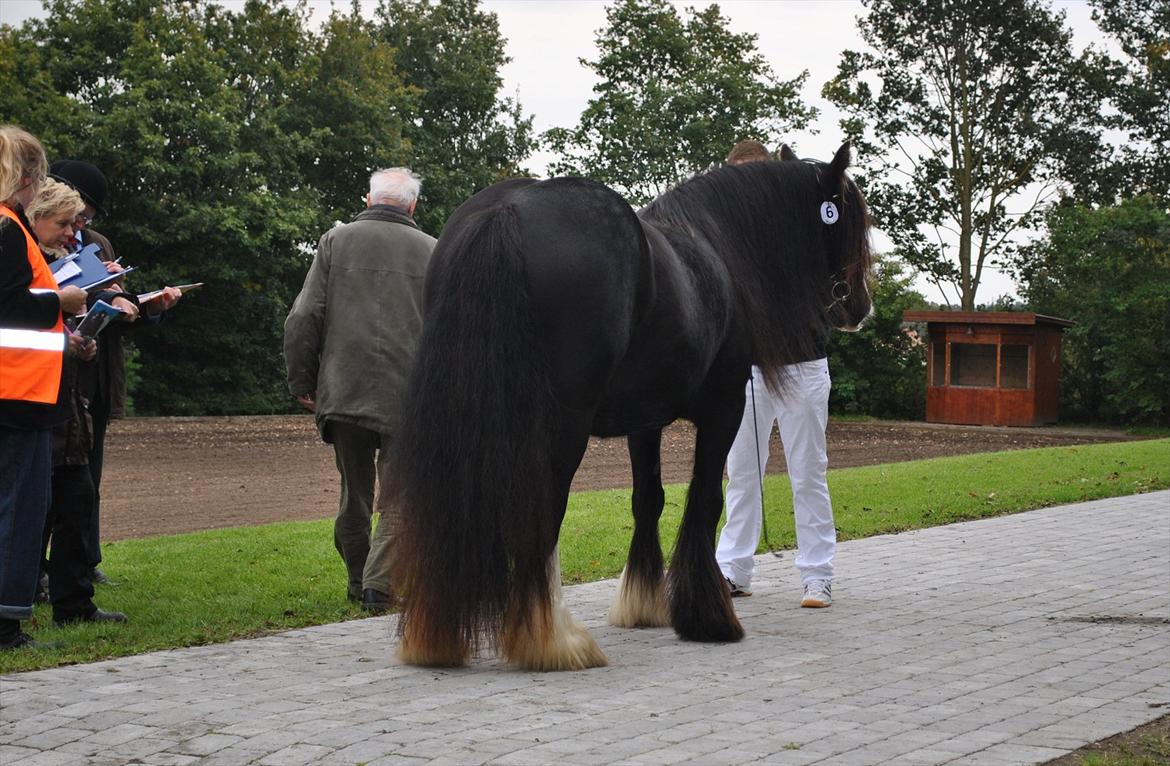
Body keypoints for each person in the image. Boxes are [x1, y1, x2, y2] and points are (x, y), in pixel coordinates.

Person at [284, 167, 435, 614]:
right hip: (408, 399)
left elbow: (302, 317)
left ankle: (357, 580)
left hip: (343, 391)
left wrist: (302, 380)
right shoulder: (434, 250)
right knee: (401, 495)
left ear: (369, 201)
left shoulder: (335, 241)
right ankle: (379, 586)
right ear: (412, 206)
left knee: (354, 493)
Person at [47, 159, 181, 587]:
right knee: (51, 477)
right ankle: (37, 572)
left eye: (87, 216)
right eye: (79, 213)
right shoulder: (37, 239)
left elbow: (115, 303)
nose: (81, 224)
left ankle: (84, 561)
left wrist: (147, 307)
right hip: (56, 371)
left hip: (98, 373)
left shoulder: (98, 242)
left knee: (88, 477)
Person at [715, 139, 836, 608]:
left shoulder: (801, 223)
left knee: (808, 473)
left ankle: (817, 574)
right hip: (747, 370)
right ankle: (733, 570)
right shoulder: (724, 236)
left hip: (803, 362)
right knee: (741, 473)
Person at [26, 178, 131, 626]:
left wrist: (76, 338)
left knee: (78, 498)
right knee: (35, 505)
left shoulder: (52, 256)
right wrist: (58, 305)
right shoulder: (19, 256)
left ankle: (74, 605)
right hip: (31, 399)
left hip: (67, 397)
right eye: (65, 224)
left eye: (78, 223)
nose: (73, 234)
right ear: (36, 217)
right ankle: (24, 596)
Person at [0, 126, 88, 650]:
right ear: (29, 178)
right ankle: (6, 622)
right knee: (19, 506)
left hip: (13, 389)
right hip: (19, 392)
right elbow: (11, 304)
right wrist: (63, 301)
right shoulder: (9, 229)